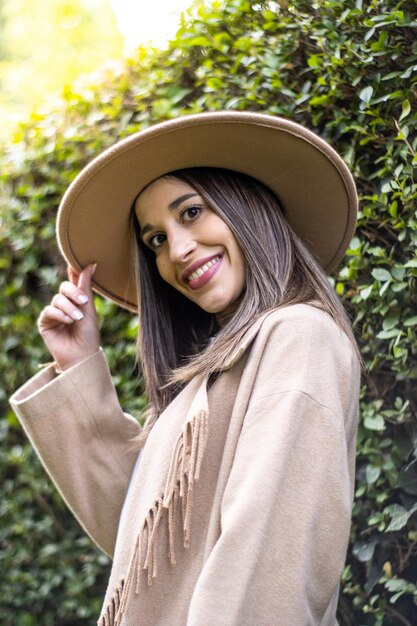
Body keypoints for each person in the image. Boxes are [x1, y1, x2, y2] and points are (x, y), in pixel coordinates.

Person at [10, 112, 361, 626]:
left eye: (192, 212)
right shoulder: (210, 376)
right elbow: (150, 547)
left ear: (247, 208)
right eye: (155, 239)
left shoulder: (297, 337)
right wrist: (79, 366)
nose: (176, 250)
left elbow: (266, 572)